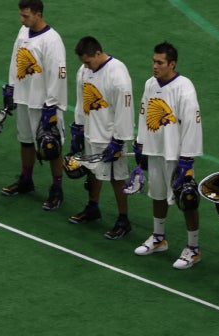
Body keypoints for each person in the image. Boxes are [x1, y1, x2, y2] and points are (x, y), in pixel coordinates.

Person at [133, 41, 203, 269]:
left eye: (160, 62)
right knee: (158, 194)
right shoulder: (150, 84)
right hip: (155, 149)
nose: (154, 66)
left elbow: (192, 123)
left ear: (171, 64)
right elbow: (144, 114)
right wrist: (140, 143)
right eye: (154, 61)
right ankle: (158, 237)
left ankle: (193, 249)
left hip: (176, 155)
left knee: (186, 199)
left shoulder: (184, 88)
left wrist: (187, 158)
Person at [0, 0, 67, 210]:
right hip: (24, 97)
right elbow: (16, 59)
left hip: (43, 103)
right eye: (21, 15)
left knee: (52, 146)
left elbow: (58, 75)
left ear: (38, 14)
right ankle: (26, 180)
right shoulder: (23, 32)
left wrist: (51, 106)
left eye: (26, 16)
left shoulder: (52, 40)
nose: (22, 19)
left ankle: (57, 189)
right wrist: (11, 87)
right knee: (26, 141)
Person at [68, 36, 135, 240]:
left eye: (88, 61)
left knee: (117, 178)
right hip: (91, 130)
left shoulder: (117, 75)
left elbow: (125, 110)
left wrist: (119, 140)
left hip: (110, 136)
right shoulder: (84, 71)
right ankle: (93, 207)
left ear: (98, 53)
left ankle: (124, 219)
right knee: (91, 171)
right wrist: (78, 127)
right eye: (83, 63)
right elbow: (81, 101)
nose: (86, 66)